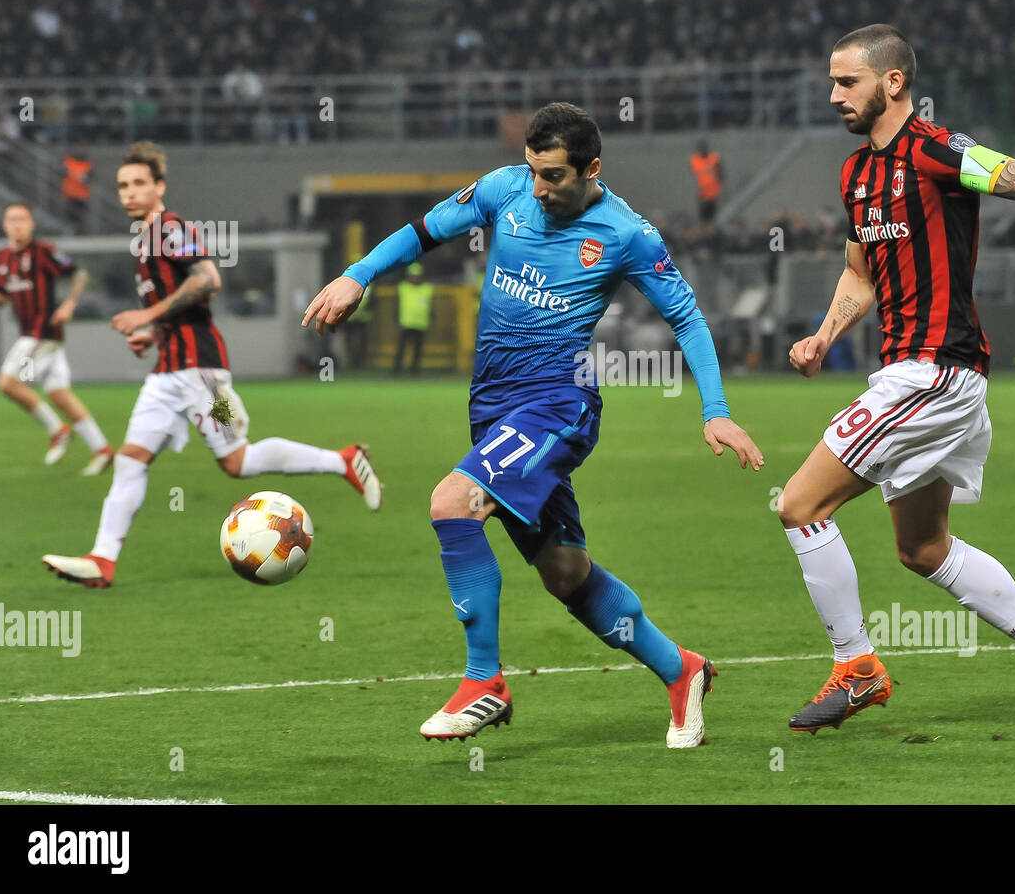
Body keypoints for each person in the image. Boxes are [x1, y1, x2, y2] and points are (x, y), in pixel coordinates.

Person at [303, 103, 764, 747]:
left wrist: (715, 410)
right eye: (534, 171)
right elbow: (421, 231)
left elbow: (686, 318)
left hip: (559, 401)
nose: (540, 189)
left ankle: (483, 682)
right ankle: (680, 669)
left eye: (553, 176)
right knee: (565, 572)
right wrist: (358, 275)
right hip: (492, 404)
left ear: (591, 168)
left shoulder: (627, 234)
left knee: (452, 504)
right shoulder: (504, 189)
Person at [778, 25, 1015, 734]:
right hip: (914, 374)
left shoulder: (937, 150)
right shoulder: (856, 175)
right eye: (831, 82)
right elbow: (861, 273)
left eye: (846, 82)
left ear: (892, 82)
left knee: (800, 506)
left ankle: (856, 667)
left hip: (933, 372)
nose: (833, 95)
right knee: (921, 548)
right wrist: (827, 333)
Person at [42, 141, 384, 589]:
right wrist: (156, 332)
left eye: (139, 183)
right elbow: (184, 304)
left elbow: (208, 279)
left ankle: (342, 460)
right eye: (122, 185)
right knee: (130, 460)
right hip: (167, 373)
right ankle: (102, 560)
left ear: (159, 186)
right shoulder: (144, 238)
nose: (128, 192)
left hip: (202, 373)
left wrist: (146, 316)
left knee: (238, 460)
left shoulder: (168, 228)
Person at [0, 202, 113, 475]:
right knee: (59, 395)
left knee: (7, 383)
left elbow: (79, 273)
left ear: (31, 224)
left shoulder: (44, 251)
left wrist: (70, 304)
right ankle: (102, 450)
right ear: (5, 225)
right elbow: (3, 299)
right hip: (32, 333)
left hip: (43, 332)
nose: (17, 224)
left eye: (22, 219)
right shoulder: (2, 258)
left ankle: (58, 429)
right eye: (12, 219)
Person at [395, 262, 433, 374]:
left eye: (417, 276)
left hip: (421, 323)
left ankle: (414, 369)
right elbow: (396, 305)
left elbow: (430, 307)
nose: (415, 278)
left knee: (417, 349)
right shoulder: (403, 287)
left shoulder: (427, 288)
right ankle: (397, 369)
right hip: (406, 322)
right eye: (413, 276)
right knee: (401, 348)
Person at [689, 140, 723, 224]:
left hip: (713, 194)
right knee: (703, 219)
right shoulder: (695, 160)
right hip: (702, 195)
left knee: (712, 218)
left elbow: (721, 173)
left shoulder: (714, 158)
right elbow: (693, 176)